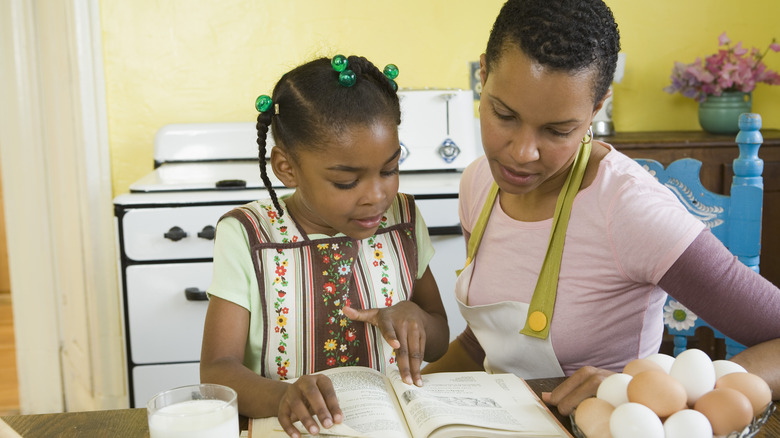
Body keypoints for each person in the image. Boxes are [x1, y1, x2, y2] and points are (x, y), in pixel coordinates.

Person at [422, 0, 780, 417]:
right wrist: (401, 396)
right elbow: (481, 343)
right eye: (504, 114)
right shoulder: (479, 182)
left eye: (558, 131)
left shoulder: (630, 211)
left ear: (596, 107)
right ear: (483, 74)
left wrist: (638, 390)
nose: (521, 153)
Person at [200, 54, 449, 437]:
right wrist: (282, 396)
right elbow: (217, 369)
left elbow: (439, 338)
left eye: (390, 169)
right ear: (287, 168)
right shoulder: (248, 235)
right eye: (347, 182)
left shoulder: (404, 220)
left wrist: (414, 318)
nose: (377, 196)